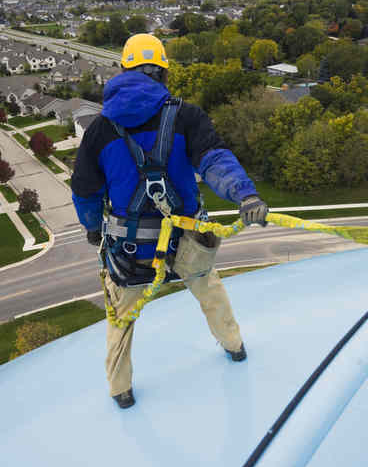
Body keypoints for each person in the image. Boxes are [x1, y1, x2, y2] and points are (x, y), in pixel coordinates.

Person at [71, 34, 268, 409]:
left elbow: (85, 191)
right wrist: (245, 193)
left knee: (121, 318)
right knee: (210, 292)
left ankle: (121, 390)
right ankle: (235, 347)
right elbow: (214, 160)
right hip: (187, 241)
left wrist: (93, 227)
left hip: (131, 250)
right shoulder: (186, 116)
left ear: (125, 70)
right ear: (162, 72)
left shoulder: (99, 130)